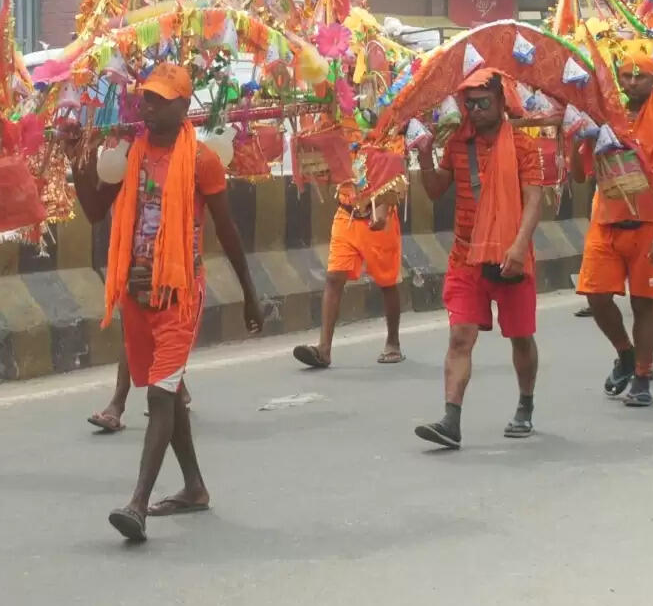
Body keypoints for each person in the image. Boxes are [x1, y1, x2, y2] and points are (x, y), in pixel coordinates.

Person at [72, 63, 263, 541]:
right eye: (146, 98)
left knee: (160, 395)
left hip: (179, 293)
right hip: (136, 293)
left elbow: (227, 229)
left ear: (184, 106)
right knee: (168, 391)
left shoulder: (202, 161)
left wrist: (250, 292)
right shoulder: (126, 155)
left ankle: (136, 503)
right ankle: (194, 487)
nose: (149, 106)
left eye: (160, 99)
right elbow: (96, 212)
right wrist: (79, 159)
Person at [412, 70, 547, 448]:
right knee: (460, 337)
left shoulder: (524, 146)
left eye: (482, 102)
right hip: (465, 256)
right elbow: (437, 189)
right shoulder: (457, 142)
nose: (474, 110)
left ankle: (526, 404)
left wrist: (520, 247)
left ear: (502, 101)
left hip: (510, 256)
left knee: (520, 338)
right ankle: (451, 421)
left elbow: (534, 199)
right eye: (468, 103)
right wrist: (424, 158)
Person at [575, 45, 653, 408]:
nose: (632, 81)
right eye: (626, 75)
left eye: (639, 76)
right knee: (595, 296)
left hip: (649, 224)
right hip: (606, 220)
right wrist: (575, 134)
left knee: (644, 305)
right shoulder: (605, 118)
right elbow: (580, 175)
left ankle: (642, 374)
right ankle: (625, 352)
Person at [293, 147, 404, 369]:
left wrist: (382, 208)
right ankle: (324, 349)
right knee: (334, 277)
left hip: (378, 216)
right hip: (346, 215)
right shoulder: (340, 125)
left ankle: (393, 341)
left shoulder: (386, 123)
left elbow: (393, 168)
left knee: (387, 283)